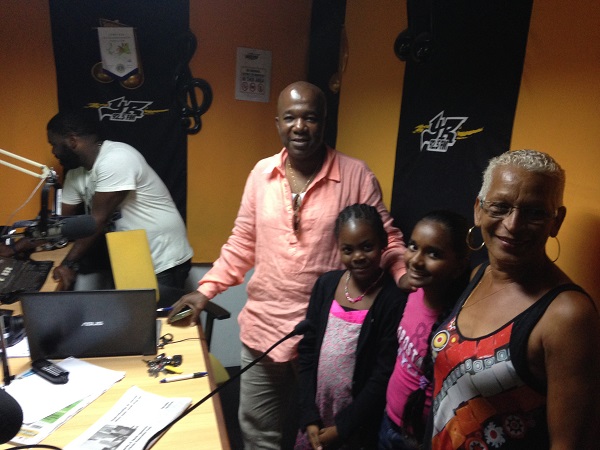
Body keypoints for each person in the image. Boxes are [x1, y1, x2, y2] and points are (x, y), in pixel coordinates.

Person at [168, 81, 406, 449]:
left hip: (327, 335)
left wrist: (404, 276)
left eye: (310, 117)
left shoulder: (356, 174)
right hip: (264, 328)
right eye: (291, 118)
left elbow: (386, 238)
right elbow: (242, 242)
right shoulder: (261, 174)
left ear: (324, 122)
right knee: (258, 433)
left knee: (322, 434)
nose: (300, 127)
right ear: (278, 122)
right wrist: (205, 291)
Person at [429, 149, 600, 449]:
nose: (513, 224)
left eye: (535, 213)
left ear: (556, 221)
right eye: (500, 206)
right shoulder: (480, 274)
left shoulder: (568, 316)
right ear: (478, 209)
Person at [46, 111, 194, 303]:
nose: (54, 152)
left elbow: (97, 221)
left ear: (72, 141)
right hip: (130, 256)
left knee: (155, 319)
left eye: (54, 144)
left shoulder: (116, 158)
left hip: (161, 258)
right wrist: (18, 245)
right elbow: (58, 223)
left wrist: (68, 264)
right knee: (135, 317)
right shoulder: (77, 174)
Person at [296, 204, 408, 450]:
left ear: (383, 243)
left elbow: (384, 373)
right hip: (318, 412)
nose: (358, 256)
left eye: (367, 247)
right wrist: (309, 415)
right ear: (338, 249)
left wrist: (343, 428)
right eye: (348, 249)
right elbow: (307, 352)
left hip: (358, 423)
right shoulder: (325, 285)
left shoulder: (392, 299)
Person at [379, 210, 470, 450]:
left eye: (433, 253)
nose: (417, 260)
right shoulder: (413, 292)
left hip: (423, 439)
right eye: (413, 246)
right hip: (389, 421)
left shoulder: (459, 323)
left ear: (459, 266)